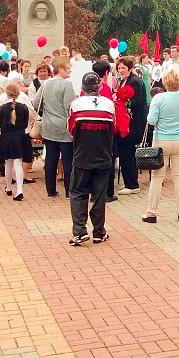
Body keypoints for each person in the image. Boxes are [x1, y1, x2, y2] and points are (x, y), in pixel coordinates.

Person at [68, 73, 117, 245]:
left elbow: (71, 129)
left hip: (82, 154)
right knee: (99, 195)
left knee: (78, 192)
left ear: (82, 88)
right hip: (103, 154)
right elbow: (114, 128)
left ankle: (80, 230)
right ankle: (99, 231)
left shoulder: (76, 105)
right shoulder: (109, 105)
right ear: (99, 87)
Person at [143, 70, 179, 223]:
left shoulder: (158, 98)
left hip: (162, 140)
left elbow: (151, 121)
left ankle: (151, 212)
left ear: (164, 82)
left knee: (157, 178)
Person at [33, 57, 76, 198]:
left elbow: (36, 102)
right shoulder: (67, 85)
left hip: (48, 125)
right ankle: (69, 191)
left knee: (51, 158)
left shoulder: (45, 84)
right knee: (68, 159)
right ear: (61, 69)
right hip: (64, 125)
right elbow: (69, 107)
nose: (70, 70)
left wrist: (45, 111)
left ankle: (51, 190)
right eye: (68, 68)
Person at [115, 57, 148, 196]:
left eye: (123, 67)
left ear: (129, 67)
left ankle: (132, 184)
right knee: (124, 152)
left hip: (133, 123)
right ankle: (129, 181)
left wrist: (122, 101)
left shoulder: (135, 81)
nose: (121, 70)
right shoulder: (124, 81)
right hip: (125, 122)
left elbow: (137, 101)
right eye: (119, 68)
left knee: (128, 152)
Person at [0, 82, 31, 201]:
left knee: (8, 164)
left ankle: (8, 187)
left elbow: (0, 124)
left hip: (6, 137)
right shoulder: (24, 107)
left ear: (6, 93)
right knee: (18, 164)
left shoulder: (2, 108)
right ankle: (20, 190)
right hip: (20, 137)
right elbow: (26, 123)